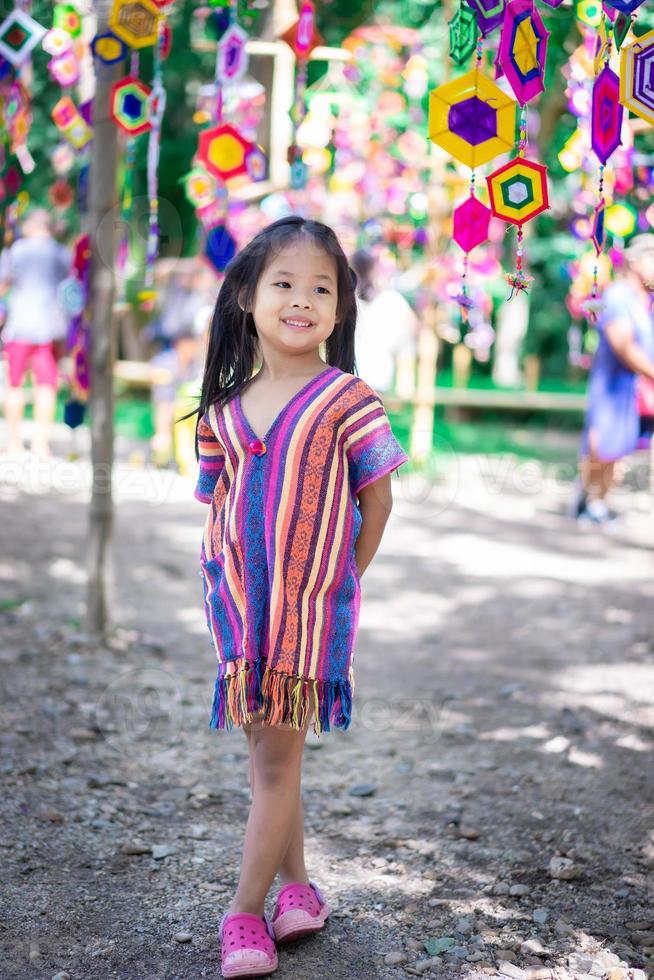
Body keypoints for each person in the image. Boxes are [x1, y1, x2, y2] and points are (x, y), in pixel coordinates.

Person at [190, 216, 409, 978]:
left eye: (322, 288)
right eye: (284, 283)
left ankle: (242, 913)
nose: (302, 300)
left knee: (277, 763)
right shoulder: (221, 408)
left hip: (304, 618)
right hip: (238, 612)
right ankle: (298, 892)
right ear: (247, 294)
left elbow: (376, 502)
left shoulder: (347, 399)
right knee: (268, 761)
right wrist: (224, 584)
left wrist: (338, 582)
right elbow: (215, 501)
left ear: (341, 309)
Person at [573, 234, 654, 524]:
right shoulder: (618, 295)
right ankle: (587, 499)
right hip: (611, 384)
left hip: (635, 387)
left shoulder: (646, 300)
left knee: (619, 450)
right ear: (635, 260)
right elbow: (622, 344)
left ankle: (598, 502)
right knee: (601, 444)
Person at [0, 208, 71, 455]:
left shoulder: (16, 251)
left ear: (29, 227)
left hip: (19, 326)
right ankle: (41, 443)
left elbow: (2, 285)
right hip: (48, 327)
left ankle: (15, 442)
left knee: (15, 383)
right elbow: (68, 285)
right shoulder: (60, 252)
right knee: (46, 385)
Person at [350, 248, 418, 396]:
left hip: (350, 371)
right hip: (379, 371)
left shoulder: (345, 299)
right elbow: (413, 325)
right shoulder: (391, 298)